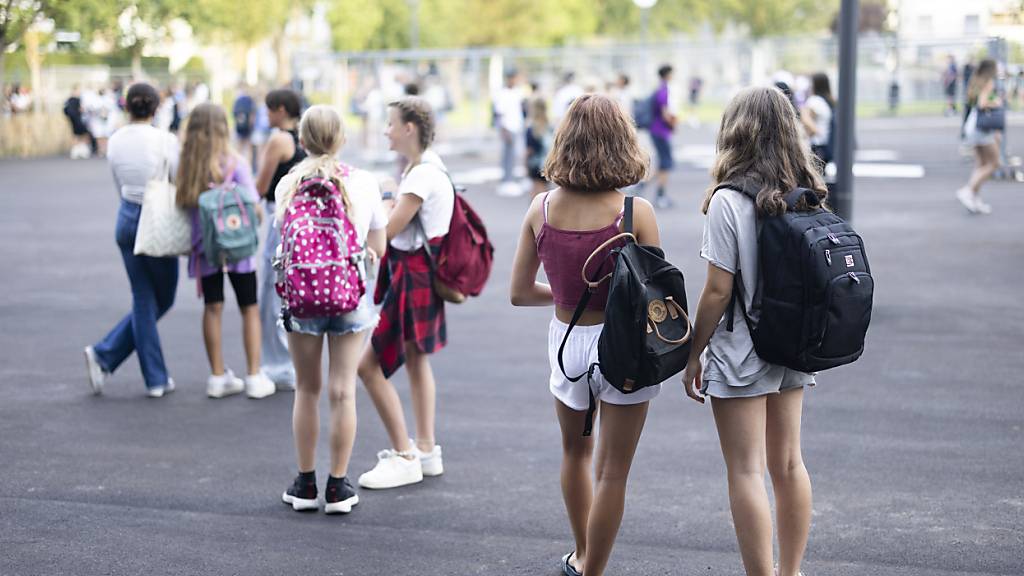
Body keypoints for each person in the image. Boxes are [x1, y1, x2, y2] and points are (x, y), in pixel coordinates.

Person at [509, 94, 659, 576]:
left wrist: (563, 298)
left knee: (575, 452)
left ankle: (579, 553)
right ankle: (594, 567)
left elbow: (517, 293)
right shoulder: (636, 214)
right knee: (613, 471)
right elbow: (655, 299)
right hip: (624, 347)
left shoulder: (542, 208)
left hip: (567, 340)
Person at [681, 86, 824, 576]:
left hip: (742, 348)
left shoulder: (728, 199)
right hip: (793, 344)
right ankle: (791, 572)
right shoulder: (806, 191)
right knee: (789, 464)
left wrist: (692, 352)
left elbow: (718, 290)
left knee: (746, 470)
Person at [275, 105, 388, 514]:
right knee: (343, 390)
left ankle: (305, 484)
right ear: (342, 139)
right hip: (349, 295)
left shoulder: (288, 183)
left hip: (302, 294)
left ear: (302, 141)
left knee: (307, 388)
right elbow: (378, 248)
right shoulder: (364, 183)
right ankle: (338, 487)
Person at [356, 96, 454, 490]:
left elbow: (388, 232)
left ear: (409, 128)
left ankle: (404, 453)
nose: (386, 130)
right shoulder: (429, 167)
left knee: (367, 367)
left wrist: (383, 193)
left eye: (391, 123)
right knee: (415, 360)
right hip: (422, 275)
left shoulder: (419, 177)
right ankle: (425, 448)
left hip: (410, 275)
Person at [83, 83, 180, 398]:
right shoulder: (166, 140)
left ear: (127, 108)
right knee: (162, 298)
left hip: (126, 214)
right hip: (158, 217)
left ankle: (118, 360)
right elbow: (176, 180)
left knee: (143, 297)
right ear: (155, 108)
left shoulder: (114, 141)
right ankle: (123, 362)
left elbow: (116, 179)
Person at [175, 103, 276, 400]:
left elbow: (182, 203)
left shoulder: (187, 165)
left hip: (206, 247)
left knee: (212, 307)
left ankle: (217, 376)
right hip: (239, 248)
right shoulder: (236, 163)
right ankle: (254, 375)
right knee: (249, 308)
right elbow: (254, 207)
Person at [254, 88, 307, 389]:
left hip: (280, 216)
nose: (267, 115)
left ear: (281, 109)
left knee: (271, 292)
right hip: (303, 219)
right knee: (292, 290)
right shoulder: (303, 137)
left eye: (269, 109)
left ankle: (279, 365)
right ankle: (289, 362)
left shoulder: (279, 139)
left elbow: (261, 185)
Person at [957, 59, 1002, 215]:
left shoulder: (976, 80)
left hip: (974, 125)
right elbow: (983, 103)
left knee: (981, 163)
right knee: (994, 163)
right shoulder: (988, 82)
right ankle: (968, 190)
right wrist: (996, 102)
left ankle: (974, 198)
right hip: (982, 128)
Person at [649, 65, 677, 209]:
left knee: (663, 162)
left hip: (656, 130)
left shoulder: (659, 88)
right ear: (668, 74)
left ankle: (642, 184)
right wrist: (673, 124)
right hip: (660, 131)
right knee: (665, 163)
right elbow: (665, 113)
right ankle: (660, 195)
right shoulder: (664, 90)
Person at [494, 71, 525, 197]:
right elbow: (499, 114)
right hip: (508, 127)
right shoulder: (503, 93)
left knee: (513, 155)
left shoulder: (517, 92)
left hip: (516, 126)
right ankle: (507, 180)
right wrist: (503, 130)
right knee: (508, 155)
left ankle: (510, 178)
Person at [801, 72, 835, 167]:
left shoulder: (814, 101)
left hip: (815, 145)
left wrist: (813, 132)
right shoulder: (829, 101)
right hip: (825, 144)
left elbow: (806, 120)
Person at [525, 97, 554, 197]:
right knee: (545, 191)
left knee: (536, 190)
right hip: (547, 162)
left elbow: (529, 150)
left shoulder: (531, 128)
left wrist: (524, 164)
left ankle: (536, 211)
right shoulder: (551, 126)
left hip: (534, 163)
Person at [63, 86, 91, 159]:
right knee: (81, 135)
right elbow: (81, 109)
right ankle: (78, 151)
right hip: (77, 120)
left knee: (79, 135)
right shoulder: (75, 100)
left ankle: (80, 151)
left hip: (76, 120)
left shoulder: (70, 100)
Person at [233, 85, 256, 166]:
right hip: (247, 127)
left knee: (239, 147)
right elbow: (252, 113)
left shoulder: (238, 100)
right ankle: (247, 166)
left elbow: (234, 113)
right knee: (248, 148)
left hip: (240, 126)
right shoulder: (249, 100)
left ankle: (236, 165)